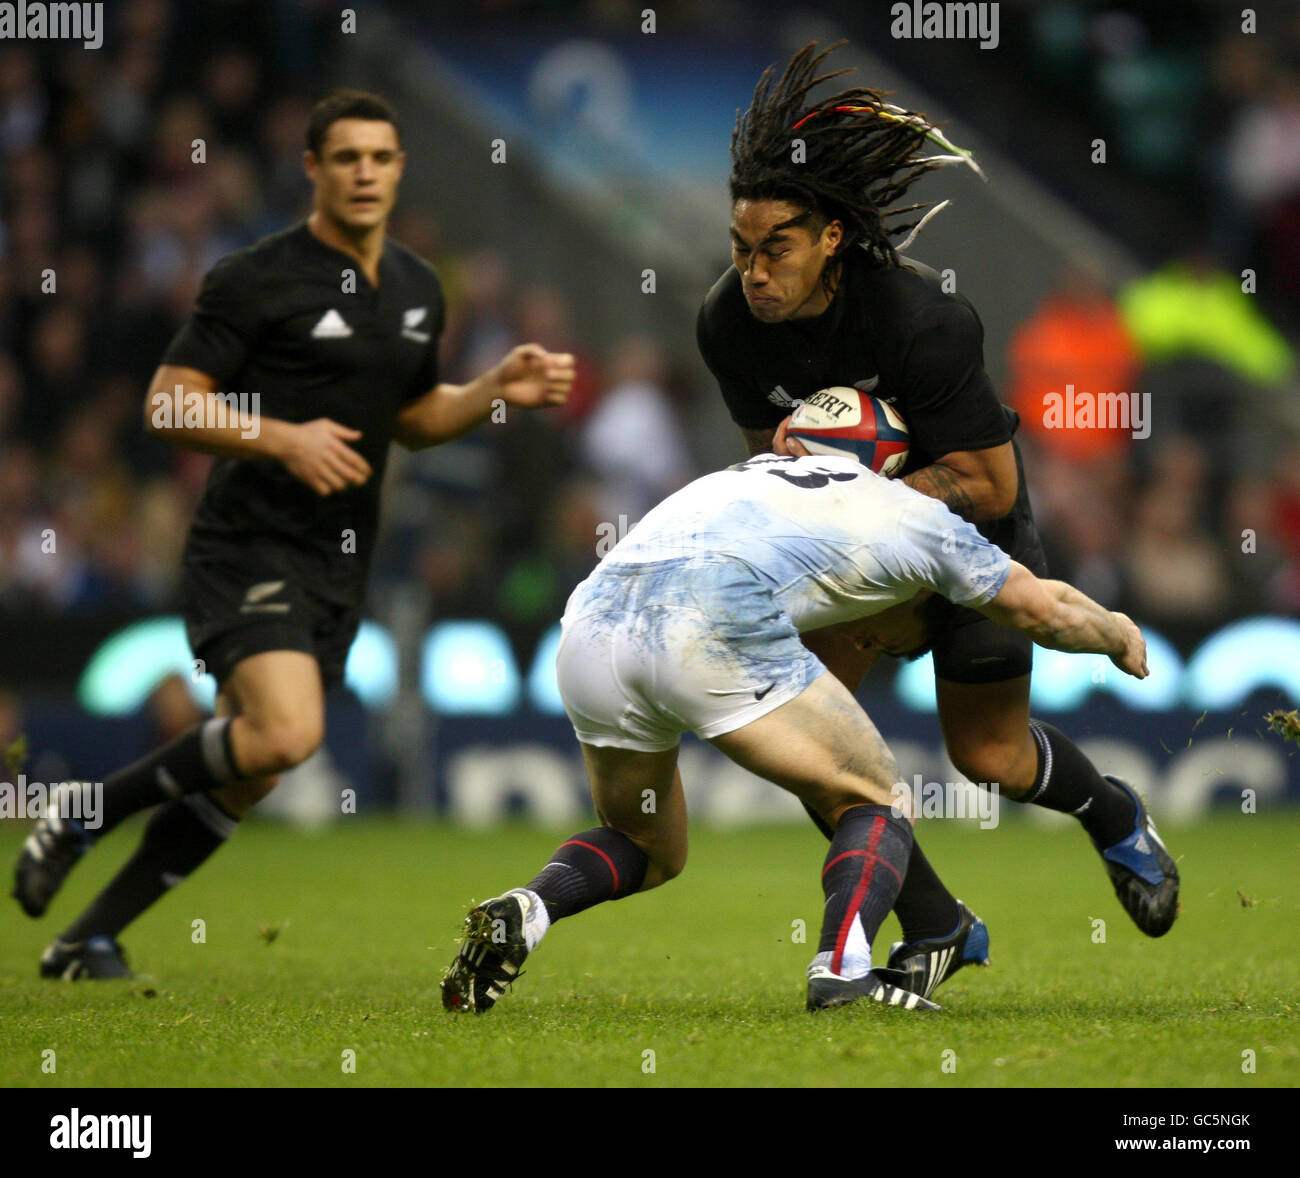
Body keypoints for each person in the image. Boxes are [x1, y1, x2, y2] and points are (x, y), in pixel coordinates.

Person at [13, 90, 574, 979]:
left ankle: (87, 940)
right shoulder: (257, 278)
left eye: (380, 158)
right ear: (312, 169)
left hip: (336, 559)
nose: (363, 173)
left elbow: (415, 419)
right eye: (344, 157)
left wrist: (492, 387)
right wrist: (282, 437)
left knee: (250, 768)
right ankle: (81, 814)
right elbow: (169, 400)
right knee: (284, 735)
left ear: (398, 169)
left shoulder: (421, 289)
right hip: (249, 540)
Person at [695, 43, 1180, 999]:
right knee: (809, 740)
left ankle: (1116, 816)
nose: (753, 273)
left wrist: (870, 493)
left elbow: (990, 489)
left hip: (967, 539)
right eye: (741, 250)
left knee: (988, 754)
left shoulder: (922, 323)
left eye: (775, 249)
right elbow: (774, 465)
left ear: (831, 237)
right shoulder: (727, 326)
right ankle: (936, 922)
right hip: (853, 555)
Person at [440, 452, 1169, 1015]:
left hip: (592, 621)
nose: (879, 644)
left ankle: (530, 910)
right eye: (898, 639)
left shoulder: (761, 471)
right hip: (707, 617)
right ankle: (844, 972)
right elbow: (1042, 610)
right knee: (875, 800)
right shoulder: (921, 522)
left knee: (644, 843)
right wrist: (1116, 632)